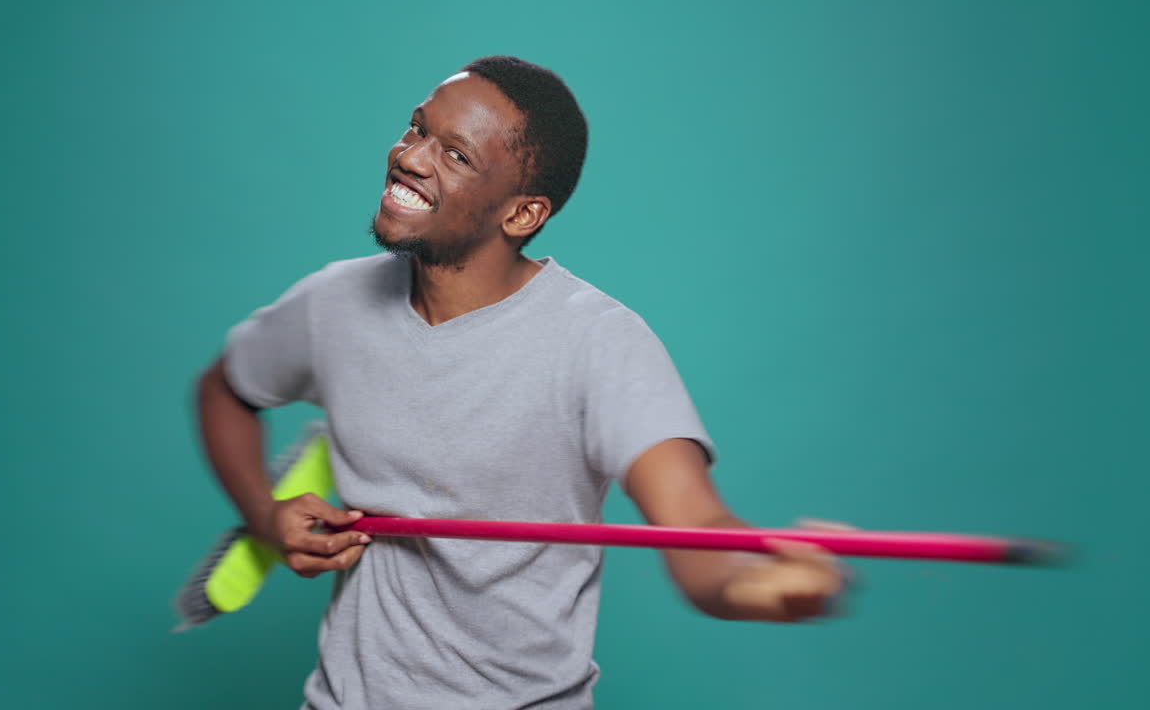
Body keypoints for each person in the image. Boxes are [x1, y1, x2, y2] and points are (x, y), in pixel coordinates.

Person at [196, 56, 850, 710]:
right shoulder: (334, 304)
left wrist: (757, 583)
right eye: (416, 128)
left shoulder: (598, 342)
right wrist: (264, 515)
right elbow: (225, 390)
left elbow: (697, 528)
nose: (411, 157)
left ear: (521, 214)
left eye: (454, 155)